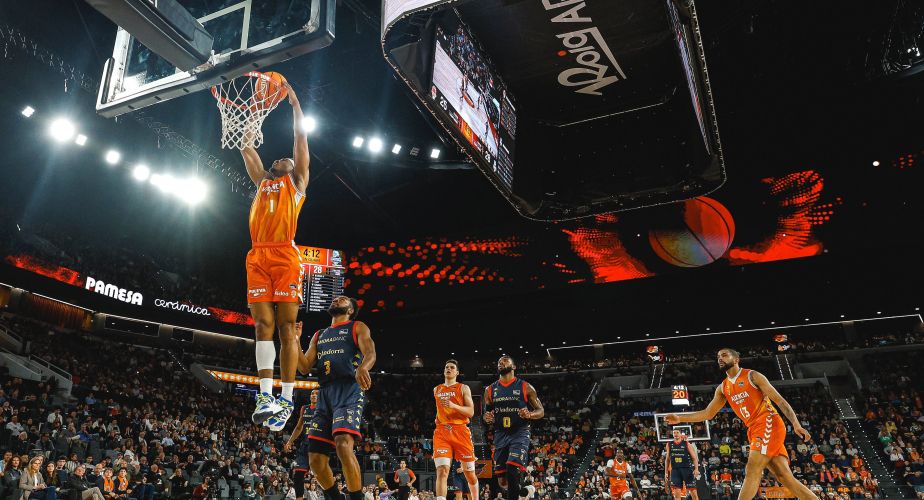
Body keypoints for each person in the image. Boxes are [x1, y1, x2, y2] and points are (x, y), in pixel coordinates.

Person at [240, 80, 311, 430]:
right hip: (257, 256)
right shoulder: (262, 182)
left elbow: (300, 139)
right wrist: (253, 111)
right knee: (262, 326)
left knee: (286, 328)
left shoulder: (296, 183)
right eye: (278, 158)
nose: (281, 157)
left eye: (286, 158)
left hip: (284, 256)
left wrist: (295, 104)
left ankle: (287, 398)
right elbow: (245, 145)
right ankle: (265, 396)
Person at [665, 348, 818, 500]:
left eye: (724, 355)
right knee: (783, 476)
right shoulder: (723, 388)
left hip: (768, 423)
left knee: (752, 469)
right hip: (754, 428)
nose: (720, 358)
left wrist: (796, 424)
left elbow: (780, 401)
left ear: (736, 359)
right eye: (718, 356)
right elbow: (708, 413)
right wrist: (680, 418)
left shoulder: (753, 376)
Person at [297, 296, 376, 500]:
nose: (336, 300)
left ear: (350, 310)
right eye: (335, 299)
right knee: (315, 460)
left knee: (342, 444)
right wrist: (295, 340)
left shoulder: (357, 326)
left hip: (348, 389)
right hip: (324, 393)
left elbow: (371, 353)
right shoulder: (319, 334)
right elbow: (304, 367)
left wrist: (363, 367)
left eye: (342, 300)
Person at [482, 356, 544, 500]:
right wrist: (487, 417)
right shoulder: (489, 390)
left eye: (505, 361)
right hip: (500, 433)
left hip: (519, 432)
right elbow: (487, 414)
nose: (501, 363)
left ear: (514, 366)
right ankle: (524, 491)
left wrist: (529, 414)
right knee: (503, 482)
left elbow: (541, 411)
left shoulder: (525, 387)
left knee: (511, 468)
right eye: (499, 362)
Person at [433, 359, 479, 500]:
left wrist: (454, 406)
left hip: (460, 431)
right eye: (447, 367)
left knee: (469, 474)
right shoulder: (436, 389)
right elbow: (440, 410)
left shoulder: (463, 388)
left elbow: (471, 412)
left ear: (457, 372)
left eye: (452, 367)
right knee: (442, 471)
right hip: (442, 432)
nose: (449, 369)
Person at [285, 388, 320, 500]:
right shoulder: (304, 408)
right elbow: (299, 427)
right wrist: (290, 441)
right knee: (298, 474)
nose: (313, 395)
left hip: (318, 446)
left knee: (322, 477)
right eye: (312, 393)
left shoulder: (324, 408)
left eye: (316, 394)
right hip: (305, 445)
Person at [663, 430, 699, 500]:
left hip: (687, 469)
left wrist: (696, 469)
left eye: (677, 432)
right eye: (674, 433)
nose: (675, 434)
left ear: (680, 434)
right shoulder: (669, 444)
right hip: (675, 470)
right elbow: (667, 459)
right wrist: (666, 472)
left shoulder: (687, 444)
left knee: (694, 493)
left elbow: (694, 458)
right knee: (677, 495)